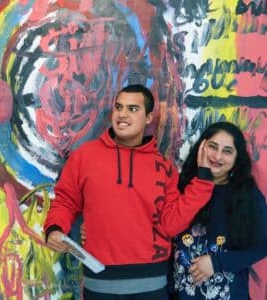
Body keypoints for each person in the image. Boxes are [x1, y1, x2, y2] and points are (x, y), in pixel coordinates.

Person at [43, 84, 215, 300]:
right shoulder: (84, 157)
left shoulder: (163, 167)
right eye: (118, 107)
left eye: (133, 109)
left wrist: (203, 183)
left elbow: (171, 224)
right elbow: (65, 201)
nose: (122, 114)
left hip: (151, 285)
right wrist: (55, 228)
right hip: (100, 284)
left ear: (149, 117)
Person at [171, 121, 267, 299]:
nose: (217, 156)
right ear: (201, 148)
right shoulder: (179, 186)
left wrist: (217, 263)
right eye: (212, 147)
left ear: (237, 158)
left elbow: (263, 245)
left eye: (227, 151)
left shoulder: (248, 195)